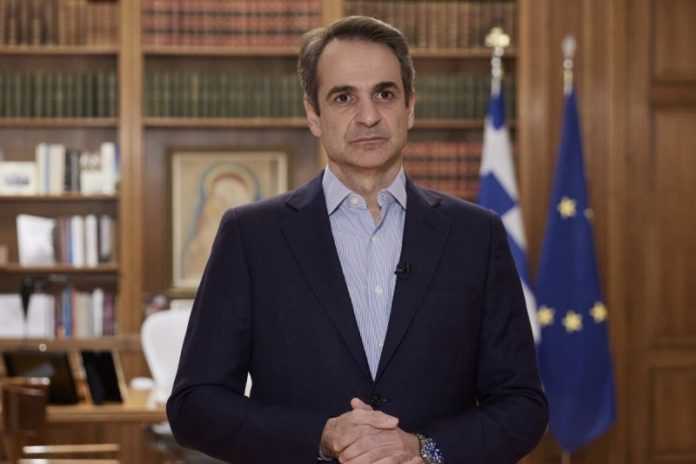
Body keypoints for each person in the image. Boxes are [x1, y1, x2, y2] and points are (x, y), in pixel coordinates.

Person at [167, 16, 547, 464]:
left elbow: (522, 405)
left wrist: (424, 448)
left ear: (410, 107)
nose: (368, 117)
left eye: (385, 94)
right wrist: (321, 437)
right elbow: (194, 405)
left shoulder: (476, 235)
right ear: (313, 115)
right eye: (344, 97)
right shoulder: (251, 237)